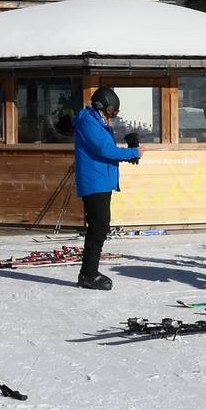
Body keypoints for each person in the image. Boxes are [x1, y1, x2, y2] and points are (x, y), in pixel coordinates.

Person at [72, 87, 144, 291]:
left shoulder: (99, 122)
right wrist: (132, 153)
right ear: (100, 106)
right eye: (111, 111)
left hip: (101, 180)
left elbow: (107, 149)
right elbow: (104, 149)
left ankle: (89, 272)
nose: (112, 115)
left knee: (100, 226)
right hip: (94, 181)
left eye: (114, 112)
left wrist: (129, 154)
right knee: (98, 227)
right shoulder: (89, 122)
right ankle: (88, 274)